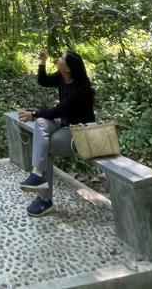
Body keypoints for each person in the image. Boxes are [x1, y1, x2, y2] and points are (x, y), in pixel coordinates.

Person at [17, 47, 95, 217]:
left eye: (61, 58)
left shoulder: (79, 90)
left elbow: (58, 110)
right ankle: (37, 173)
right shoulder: (62, 76)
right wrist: (42, 63)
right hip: (66, 122)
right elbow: (43, 81)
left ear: (68, 68)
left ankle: (45, 201)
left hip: (80, 132)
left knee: (46, 146)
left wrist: (34, 113)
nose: (58, 58)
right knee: (41, 124)